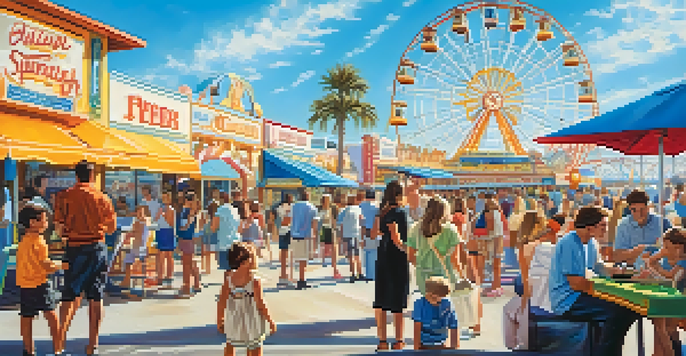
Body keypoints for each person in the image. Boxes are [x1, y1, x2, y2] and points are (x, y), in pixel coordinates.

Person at [549, 206, 640, 356]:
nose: (606, 229)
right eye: (603, 226)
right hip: (567, 301)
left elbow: (599, 268)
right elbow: (576, 283)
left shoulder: (591, 243)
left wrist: (626, 274)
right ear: (590, 228)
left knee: (628, 310)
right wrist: (608, 292)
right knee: (617, 312)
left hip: (581, 295)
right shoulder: (568, 243)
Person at [54, 160, 116, 355]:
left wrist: (69, 233)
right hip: (96, 247)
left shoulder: (64, 196)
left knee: (69, 295)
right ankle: (93, 344)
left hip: (74, 247)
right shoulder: (102, 197)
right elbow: (112, 227)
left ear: (76, 176)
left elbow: (58, 228)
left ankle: (60, 341)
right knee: (96, 296)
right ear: (92, 176)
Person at [17, 204, 67, 355]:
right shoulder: (39, 241)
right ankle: (58, 347)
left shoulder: (24, 241)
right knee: (51, 314)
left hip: (25, 284)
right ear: (33, 222)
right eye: (44, 220)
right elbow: (45, 264)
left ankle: (28, 349)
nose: (47, 223)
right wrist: (62, 265)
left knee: (26, 317)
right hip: (40, 283)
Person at [217, 242, 277, 356]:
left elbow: (221, 302)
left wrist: (220, 320)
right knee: (255, 346)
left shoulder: (229, 280)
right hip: (252, 319)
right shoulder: (254, 281)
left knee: (230, 344)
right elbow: (260, 303)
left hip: (234, 319)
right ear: (244, 261)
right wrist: (270, 320)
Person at [372, 180, 410, 351]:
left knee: (380, 299)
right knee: (397, 300)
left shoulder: (382, 212)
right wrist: (406, 249)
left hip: (382, 256)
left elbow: (374, 234)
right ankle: (399, 339)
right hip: (396, 258)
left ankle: (382, 340)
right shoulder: (400, 213)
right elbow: (396, 238)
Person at [637, 228, 686, 356]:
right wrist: (655, 264)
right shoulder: (677, 261)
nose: (666, 251)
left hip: (679, 302)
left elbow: (671, 277)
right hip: (676, 300)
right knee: (670, 330)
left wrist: (656, 260)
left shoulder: (683, 262)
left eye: (668, 248)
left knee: (663, 328)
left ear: (679, 247)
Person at [614, 190, 672, 266]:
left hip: (658, 269)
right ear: (629, 209)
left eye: (642, 209)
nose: (639, 214)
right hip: (631, 270)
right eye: (634, 210)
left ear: (648, 207)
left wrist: (631, 256)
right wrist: (639, 250)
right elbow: (617, 256)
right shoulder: (623, 225)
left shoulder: (663, 223)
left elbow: (673, 251)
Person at [412, 276, 459, 350]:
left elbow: (454, 327)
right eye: (432, 297)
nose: (436, 302)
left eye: (439, 298)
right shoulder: (419, 304)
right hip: (424, 344)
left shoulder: (447, 305)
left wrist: (454, 349)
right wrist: (416, 349)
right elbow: (417, 327)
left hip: (441, 343)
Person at [290, 190, 318, 290]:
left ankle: (295, 277)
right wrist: (314, 235)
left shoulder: (293, 206)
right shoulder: (312, 207)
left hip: (294, 233)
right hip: (305, 235)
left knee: (296, 257)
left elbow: (290, 219)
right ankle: (301, 280)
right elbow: (314, 222)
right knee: (303, 259)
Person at [120, 205, 151, 291]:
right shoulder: (145, 221)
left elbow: (135, 233)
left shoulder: (140, 222)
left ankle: (127, 280)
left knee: (127, 259)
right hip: (141, 247)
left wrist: (128, 236)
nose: (139, 214)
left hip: (139, 248)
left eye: (140, 212)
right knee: (128, 259)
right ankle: (128, 280)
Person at [177, 192, 201, 297]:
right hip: (187, 239)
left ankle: (187, 285)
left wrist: (181, 228)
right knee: (190, 263)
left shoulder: (189, 212)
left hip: (186, 239)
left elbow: (185, 226)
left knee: (187, 264)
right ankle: (195, 283)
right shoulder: (187, 211)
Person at [337, 195, 364, 282]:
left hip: (347, 234)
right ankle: (360, 273)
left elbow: (340, 224)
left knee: (350, 255)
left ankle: (352, 274)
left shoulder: (343, 211)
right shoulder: (358, 209)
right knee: (357, 255)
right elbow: (362, 219)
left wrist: (340, 236)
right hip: (356, 233)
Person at [216, 193, 242, 272]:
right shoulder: (235, 210)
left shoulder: (220, 209)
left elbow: (214, 226)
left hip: (224, 242)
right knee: (234, 268)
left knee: (227, 270)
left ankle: (228, 283)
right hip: (236, 241)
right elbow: (240, 227)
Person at [155, 191, 176, 287]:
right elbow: (155, 219)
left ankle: (169, 275)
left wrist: (164, 215)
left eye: (166, 198)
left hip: (168, 232)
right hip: (160, 230)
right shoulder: (160, 208)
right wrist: (159, 214)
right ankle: (160, 275)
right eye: (163, 197)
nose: (164, 200)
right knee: (160, 255)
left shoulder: (171, 209)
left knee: (168, 255)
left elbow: (171, 223)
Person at [359, 190, 380, 280]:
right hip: (373, 230)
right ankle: (372, 274)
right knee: (373, 254)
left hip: (362, 230)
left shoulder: (360, 206)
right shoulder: (376, 206)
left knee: (365, 254)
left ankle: (367, 273)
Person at [276, 195, 295, 286]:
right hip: (287, 231)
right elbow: (285, 220)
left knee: (284, 254)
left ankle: (284, 275)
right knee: (286, 254)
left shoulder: (279, 207)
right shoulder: (287, 207)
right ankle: (284, 276)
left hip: (282, 231)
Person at [201, 201, 220, 274]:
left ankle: (207, 269)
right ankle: (218, 266)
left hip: (208, 237)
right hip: (216, 237)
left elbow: (203, 226)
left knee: (208, 253)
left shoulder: (207, 216)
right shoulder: (219, 216)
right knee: (216, 253)